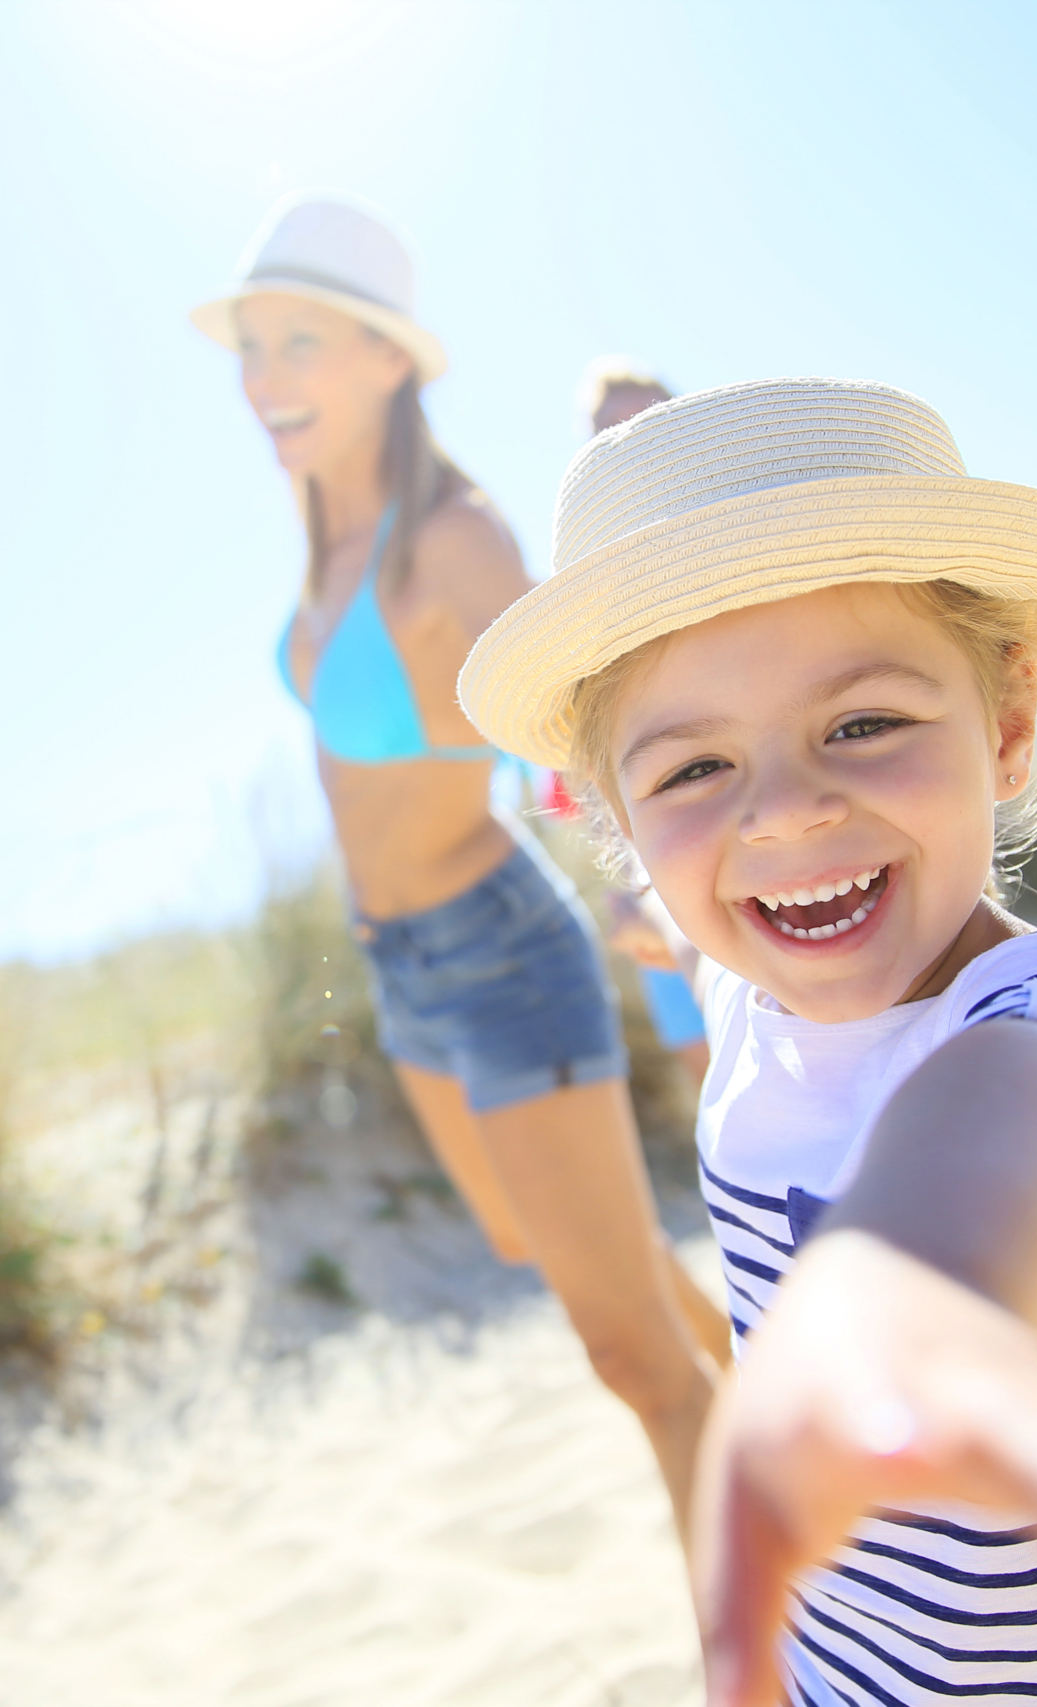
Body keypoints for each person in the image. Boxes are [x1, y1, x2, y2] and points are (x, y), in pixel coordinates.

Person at [457, 378, 1037, 1704]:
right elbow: (682, 912)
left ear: (1009, 722)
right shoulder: (739, 969)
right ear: (623, 820)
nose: (788, 816)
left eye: (863, 723)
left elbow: (992, 1142)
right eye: (693, 768)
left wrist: (906, 1309)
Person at [192, 193, 730, 1532]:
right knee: (530, 1239)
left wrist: (661, 884)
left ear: (389, 358)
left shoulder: (453, 536)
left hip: (500, 944)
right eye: (250, 347)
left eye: (299, 343)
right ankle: (776, 1394)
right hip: (400, 960)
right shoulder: (329, 531)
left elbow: (576, 731)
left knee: (634, 1364)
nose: (265, 380)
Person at [576, 359, 712, 1087]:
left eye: (648, 420)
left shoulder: (743, 542)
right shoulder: (584, 607)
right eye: (610, 433)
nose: (631, 441)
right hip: (654, 870)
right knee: (712, 1064)